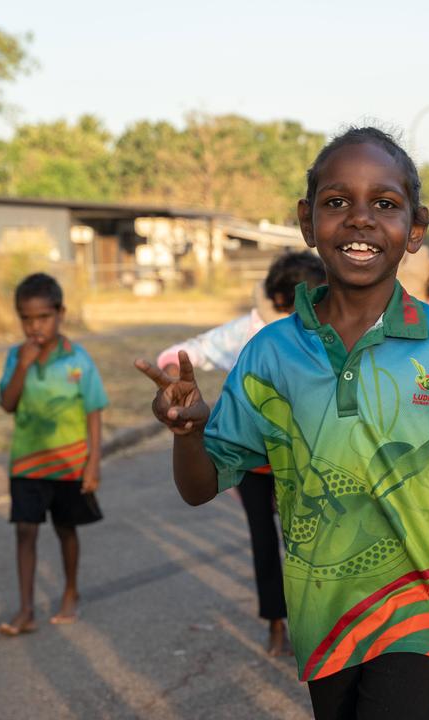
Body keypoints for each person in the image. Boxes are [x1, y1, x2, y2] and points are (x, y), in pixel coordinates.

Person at [134, 126, 429, 720]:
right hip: (323, 612)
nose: (360, 219)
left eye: (383, 203)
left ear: (414, 228)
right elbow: (199, 489)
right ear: (307, 222)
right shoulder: (271, 354)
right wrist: (188, 432)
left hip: (422, 606)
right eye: (337, 203)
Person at [156, 251, 326, 657]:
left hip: (302, 463)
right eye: (316, 296)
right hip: (251, 463)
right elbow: (181, 355)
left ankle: (315, 626)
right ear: (286, 299)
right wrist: (174, 380)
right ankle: (275, 624)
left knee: (306, 544)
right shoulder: (250, 331)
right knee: (264, 542)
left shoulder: (326, 330)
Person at [0, 272, 108, 636]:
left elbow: (94, 411)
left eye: (42, 317)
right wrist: (24, 364)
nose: (34, 327)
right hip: (26, 462)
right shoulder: (16, 356)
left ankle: (70, 590)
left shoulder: (77, 360)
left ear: (60, 313)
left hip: (69, 463)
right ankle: (26, 609)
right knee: (25, 530)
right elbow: (7, 404)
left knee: (65, 529)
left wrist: (93, 463)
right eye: (26, 319)